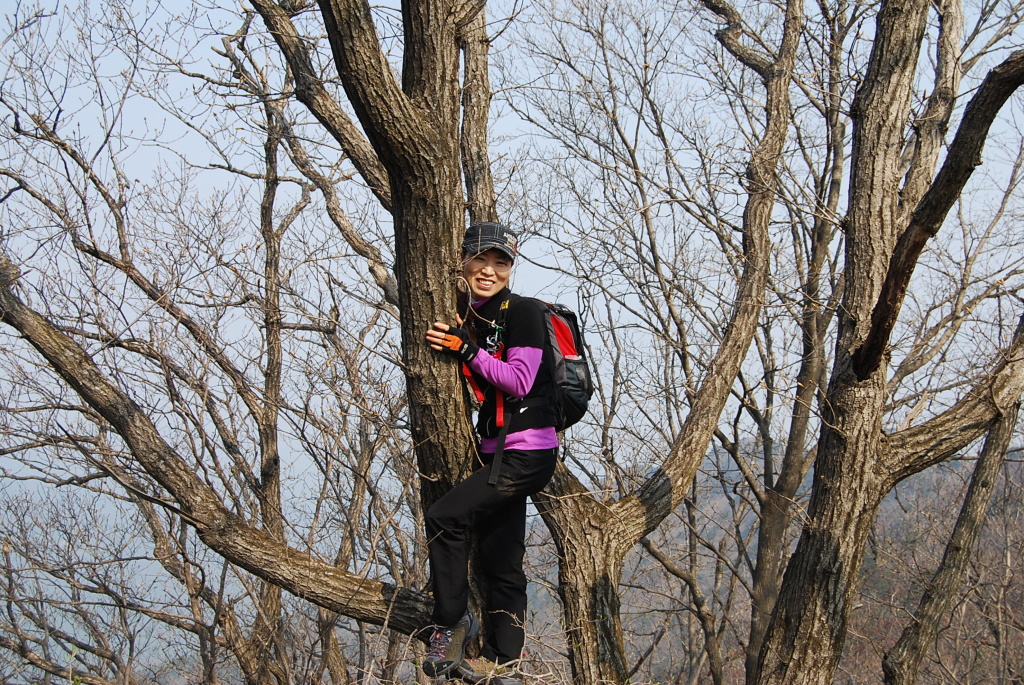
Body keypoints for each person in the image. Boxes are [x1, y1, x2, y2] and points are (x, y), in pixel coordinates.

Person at [421, 222, 559, 682]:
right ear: (462, 261)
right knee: (502, 560)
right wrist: (468, 341)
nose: (490, 270)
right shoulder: (471, 315)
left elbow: (519, 380)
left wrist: (466, 350)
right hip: (496, 450)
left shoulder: (523, 312)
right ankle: (504, 661)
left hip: (526, 453)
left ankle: (451, 622)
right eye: (481, 258)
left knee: (446, 516)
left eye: (502, 262)